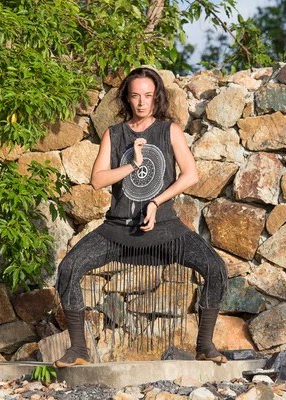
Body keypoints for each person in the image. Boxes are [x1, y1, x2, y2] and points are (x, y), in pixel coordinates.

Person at [54, 67, 228, 368]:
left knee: (215, 267)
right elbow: (97, 180)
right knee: (69, 268)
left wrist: (156, 201)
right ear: (127, 98)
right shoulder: (115, 134)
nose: (142, 102)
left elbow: (191, 175)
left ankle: (204, 345)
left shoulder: (168, 130)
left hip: (166, 229)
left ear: (157, 97)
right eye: (135, 96)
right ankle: (78, 350)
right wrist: (133, 165)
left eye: (148, 96)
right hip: (117, 230)